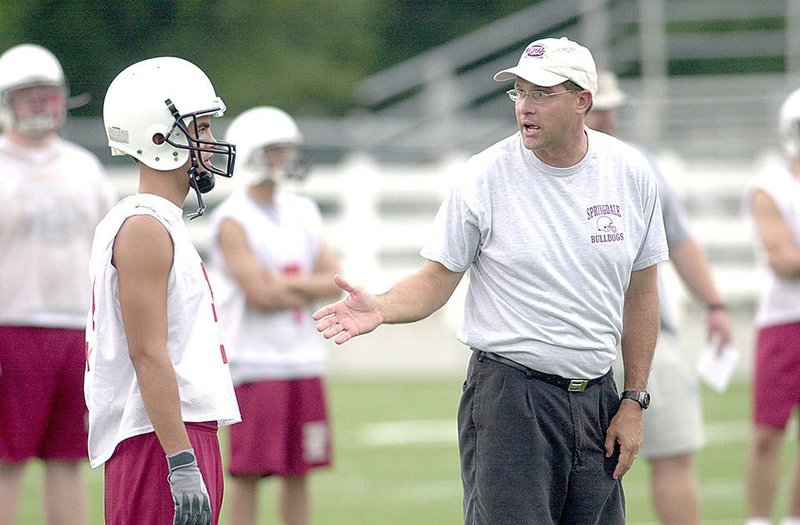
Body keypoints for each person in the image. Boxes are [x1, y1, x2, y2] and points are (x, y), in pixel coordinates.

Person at [313, 36, 668, 524]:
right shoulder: (484, 175)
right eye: (520, 92)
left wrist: (633, 399)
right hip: (511, 399)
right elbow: (437, 277)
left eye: (542, 93)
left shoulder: (630, 172)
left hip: (600, 401)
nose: (526, 106)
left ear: (583, 100)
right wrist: (383, 306)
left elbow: (643, 293)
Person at [83, 56, 241, 525]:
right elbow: (148, 353)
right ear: (158, 136)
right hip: (159, 438)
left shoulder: (162, 223)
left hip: (179, 431)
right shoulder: (144, 229)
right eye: (202, 128)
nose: (210, 141)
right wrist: (180, 460)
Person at [586, 70, 733, 525]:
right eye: (599, 105)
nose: (608, 115)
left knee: (672, 458)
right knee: (584, 477)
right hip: (578, 342)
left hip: (646, 334)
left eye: (611, 105)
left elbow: (679, 239)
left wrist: (714, 304)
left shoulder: (640, 164)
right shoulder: (635, 164)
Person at [207, 106, 341, 525]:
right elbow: (259, 294)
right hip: (256, 361)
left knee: (301, 470)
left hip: (303, 357)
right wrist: (303, 286)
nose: (285, 158)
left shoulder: (303, 209)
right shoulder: (232, 217)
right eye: (275, 149)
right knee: (248, 472)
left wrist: (288, 287)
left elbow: (332, 279)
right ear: (254, 153)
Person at [0, 43, 116, 525]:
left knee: (70, 455)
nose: (41, 106)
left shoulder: (83, 166)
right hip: (11, 327)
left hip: (76, 328)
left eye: (48, 95)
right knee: (7, 457)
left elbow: (110, 249)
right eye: (29, 96)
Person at [743, 86, 800, 525]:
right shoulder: (771, 186)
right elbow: (783, 261)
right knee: (767, 432)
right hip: (784, 321)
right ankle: (760, 519)